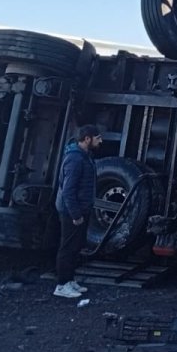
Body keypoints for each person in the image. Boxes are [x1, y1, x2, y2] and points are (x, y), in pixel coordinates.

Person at [53, 124, 102, 299]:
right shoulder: (75, 159)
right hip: (71, 211)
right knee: (67, 247)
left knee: (75, 246)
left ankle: (69, 280)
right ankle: (61, 285)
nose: (100, 141)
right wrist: (75, 214)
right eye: (97, 138)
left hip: (80, 209)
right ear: (87, 138)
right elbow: (68, 190)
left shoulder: (84, 156)